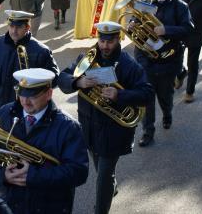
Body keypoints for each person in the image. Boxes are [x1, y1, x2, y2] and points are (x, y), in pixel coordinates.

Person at [58, 22, 154, 214]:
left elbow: (148, 94)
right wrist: (78, 81)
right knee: (99, 167)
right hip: (90, 126)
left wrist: (120, 95)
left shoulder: (128, 65)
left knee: (103, 176)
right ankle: (112, 186)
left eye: (110, 41)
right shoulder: (87, 58)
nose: (105, 46)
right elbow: (62, 77)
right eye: (102, 40)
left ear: (118, 39)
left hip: (114, 131)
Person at [0, 68, 88, 214]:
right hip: (9, 203)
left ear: (49, 93)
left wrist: (33, 176)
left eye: (33, 95)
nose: (25, 101)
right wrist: (2, 175)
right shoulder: (5, 113)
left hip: (49, 207)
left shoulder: (69, 127)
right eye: (21, 93)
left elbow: (78, 172)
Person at [132, 0, 193, 147]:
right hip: (147, 61)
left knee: (165, 97)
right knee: (147, 99)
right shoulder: (145, 4)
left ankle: (167, 114)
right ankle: (147, 131)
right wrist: (132, 25)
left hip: (169, 61)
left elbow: (188, 29)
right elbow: (136, 28)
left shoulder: (181, 6)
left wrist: (167, 30)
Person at [0, 11, 58, 118]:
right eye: (11, 26)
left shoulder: (42, 51)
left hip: (27, 109)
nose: (14, 31)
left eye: (19, 27)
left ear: (27, 27)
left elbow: (53, 79)